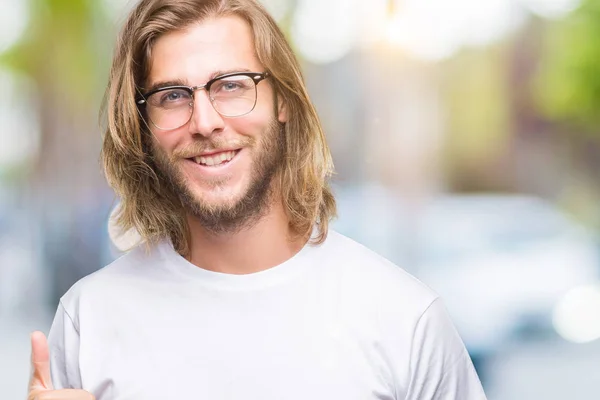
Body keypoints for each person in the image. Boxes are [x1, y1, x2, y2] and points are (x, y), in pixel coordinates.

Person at [28, 0, 487, 399]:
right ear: (144, 127)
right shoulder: (89, 320)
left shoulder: (405, 320)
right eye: (172, 96)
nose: (204, 121)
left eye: (231, 85)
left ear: (282, 100)